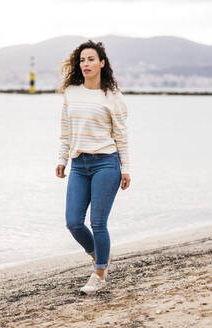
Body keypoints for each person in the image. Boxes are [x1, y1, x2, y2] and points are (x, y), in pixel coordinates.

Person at [55, 40, 131, 294]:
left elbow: (121, 135)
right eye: (82, 60)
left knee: (98, 223)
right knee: (73, 222)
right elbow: (66, 131)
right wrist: (62, 159)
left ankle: (99, 273)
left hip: (105, 164)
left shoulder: (113, 97)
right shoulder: (71, 92)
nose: (85, 64)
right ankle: (99, 254)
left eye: (90, 59)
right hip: (78, 165)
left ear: (102, 63)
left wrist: (125, 168)